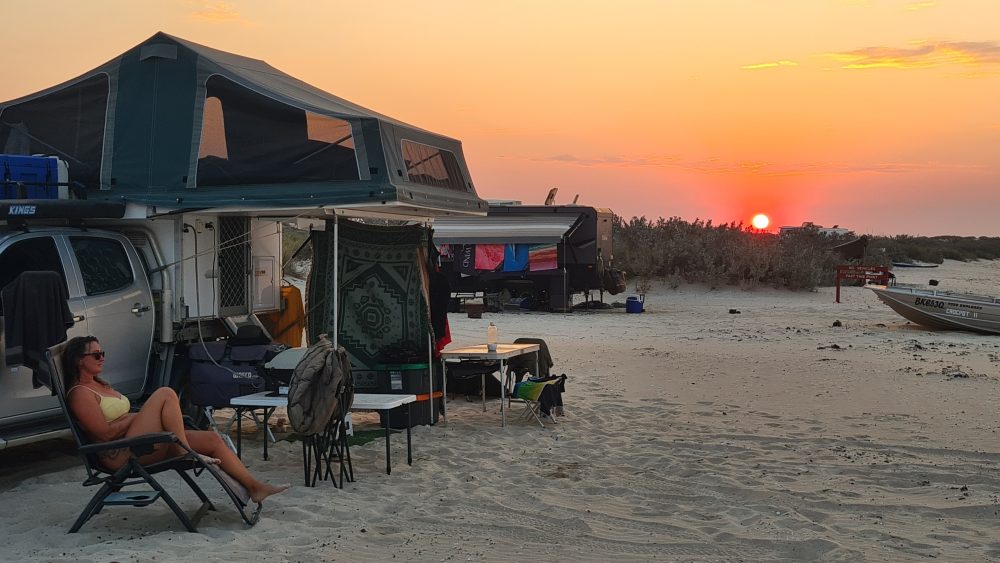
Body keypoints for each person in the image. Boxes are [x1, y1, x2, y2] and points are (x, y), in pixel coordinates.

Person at [63, 335, 288, 503]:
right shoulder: (80, 393)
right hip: (120, 454)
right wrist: (136, 418)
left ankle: (254, 487)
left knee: (211, 439)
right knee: (165, 393)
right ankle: (184, 450)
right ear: (79, 361)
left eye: (103, 353)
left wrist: (134, 418)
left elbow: (121, 420)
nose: (102, 358)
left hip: (135, 442)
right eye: (96, 354)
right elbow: (104, 433)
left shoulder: (100, 385)